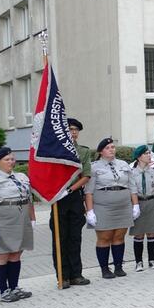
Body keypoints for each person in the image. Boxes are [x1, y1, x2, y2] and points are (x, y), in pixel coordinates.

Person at [0, 147, 36, 302]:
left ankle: (14, 287)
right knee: (3, 254)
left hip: (21, 219)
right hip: (3, 221)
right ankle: (4, 291)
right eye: (7, 159)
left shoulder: (21, 177)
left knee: (16, 253)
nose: (11, 162)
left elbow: (29, 199)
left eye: (12, 159)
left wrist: (32, 219)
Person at [84, 138, 140, 279]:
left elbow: (132, 186)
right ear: (101, 151)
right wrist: (89, 211)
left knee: (119, 236)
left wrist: (136, 205)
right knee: (105, 237)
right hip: (103, 206)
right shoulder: (94, 167)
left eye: (113, 147)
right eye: (108, 147)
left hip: (123, 205)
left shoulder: (123, 164)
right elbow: (89, 191)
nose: (111, 149)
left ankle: (118, 266)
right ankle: (104, 269)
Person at [49, 118, 93, 289]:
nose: (74, 132)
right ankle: (63, 275)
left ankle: (76, 274)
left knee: (75, 237)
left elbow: (86, 175)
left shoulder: (83, 151)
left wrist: (69, 190)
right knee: (60, 238)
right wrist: (58, 191)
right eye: (70, 129)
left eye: (76, 130)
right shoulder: (53, 150)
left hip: (73, 196)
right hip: (57, 198)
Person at [129, 145, 154, 271]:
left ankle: (152, 260)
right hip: (138, 203)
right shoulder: (131, 173)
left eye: (149, 153)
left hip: (151, 202)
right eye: (146, 153)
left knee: (152, 232)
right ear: (138, 157)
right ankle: (138, 262)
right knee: (138, 234)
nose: (149, 156)